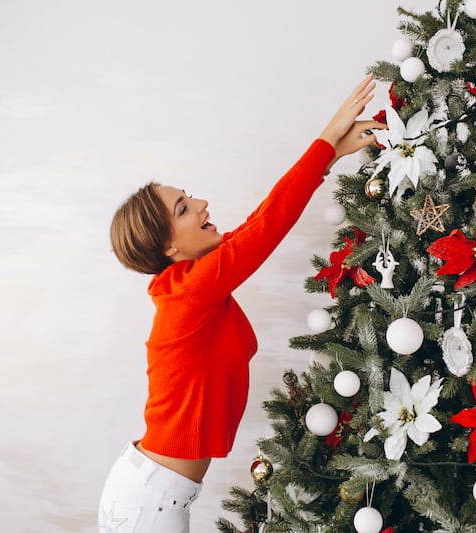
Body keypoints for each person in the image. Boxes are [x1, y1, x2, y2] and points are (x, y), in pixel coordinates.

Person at [98, 74, 384, 533]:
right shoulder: (191, 291)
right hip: (149, 504)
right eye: (184, 209)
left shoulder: (189, 283)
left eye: (188, 196)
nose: (202, 203)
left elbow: (259, 220)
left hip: (152, 491)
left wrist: (329, 157)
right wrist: (327, 137)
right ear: (168, 245)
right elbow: (269, 226)